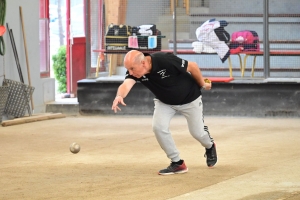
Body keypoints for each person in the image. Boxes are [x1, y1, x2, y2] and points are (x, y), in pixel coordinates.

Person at [111, 50, 217, 175]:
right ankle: (177, 163)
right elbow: (126, 84)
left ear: (143, 63)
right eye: (128, 69)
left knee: (197, 133)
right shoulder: (135, 71)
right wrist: (119, 96)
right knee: (158, 128)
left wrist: (202, 84)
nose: (130, 72)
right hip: (165, 102)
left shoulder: (164, 60)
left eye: (132, 69)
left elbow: (192, 66)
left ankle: (210, 146)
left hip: (190, 99)